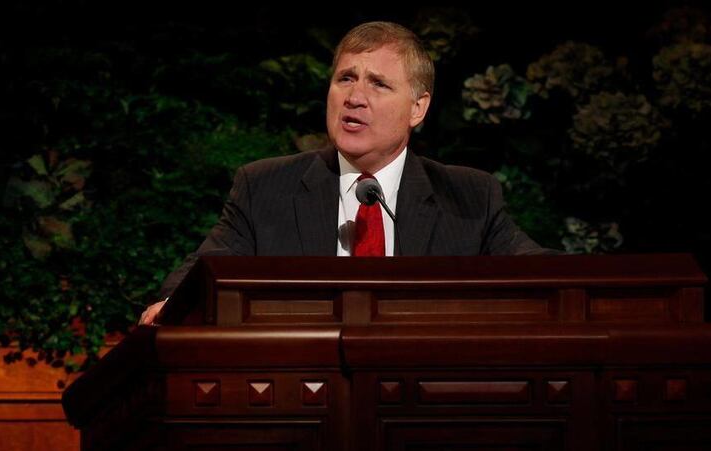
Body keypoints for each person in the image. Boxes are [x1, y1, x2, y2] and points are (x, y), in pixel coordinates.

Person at [139, 21, 554, 325]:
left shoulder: (469, 196)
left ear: (418, 107)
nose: (355, 97)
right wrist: (172, 305)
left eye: (378, 84)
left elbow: (545, 276)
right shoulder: (264, 188)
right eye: (345, 79)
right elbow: (197, 275)